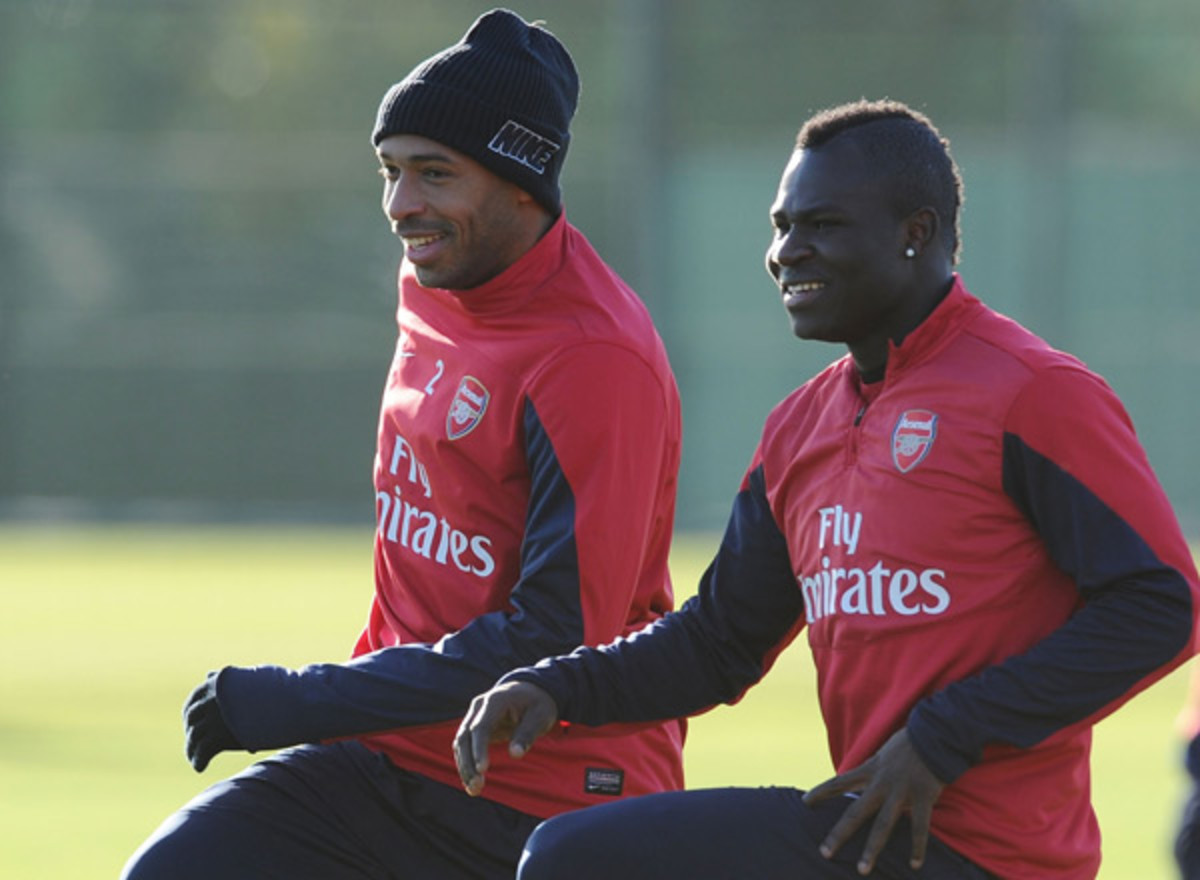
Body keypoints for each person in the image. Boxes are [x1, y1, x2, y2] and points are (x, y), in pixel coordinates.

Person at [454, 99, 1200, 880]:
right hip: (872, 830)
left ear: (916, 232)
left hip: (991, 858)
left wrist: (944, 737)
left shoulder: (1033, 392)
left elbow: (1158, 603)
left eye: (821, 226)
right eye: (780, 227)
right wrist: (557, 684)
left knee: (577, 861)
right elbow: (720, 643)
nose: (786, 252)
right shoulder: (799, 428)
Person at [121, 10, 685, 879]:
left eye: (433, 174)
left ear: (523, 182)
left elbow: (557, 637)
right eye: (390, 171)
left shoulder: (592, 356)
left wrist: (300, 699)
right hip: (387, 761)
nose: (400, 205)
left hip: (548, 792)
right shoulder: (436, 277)